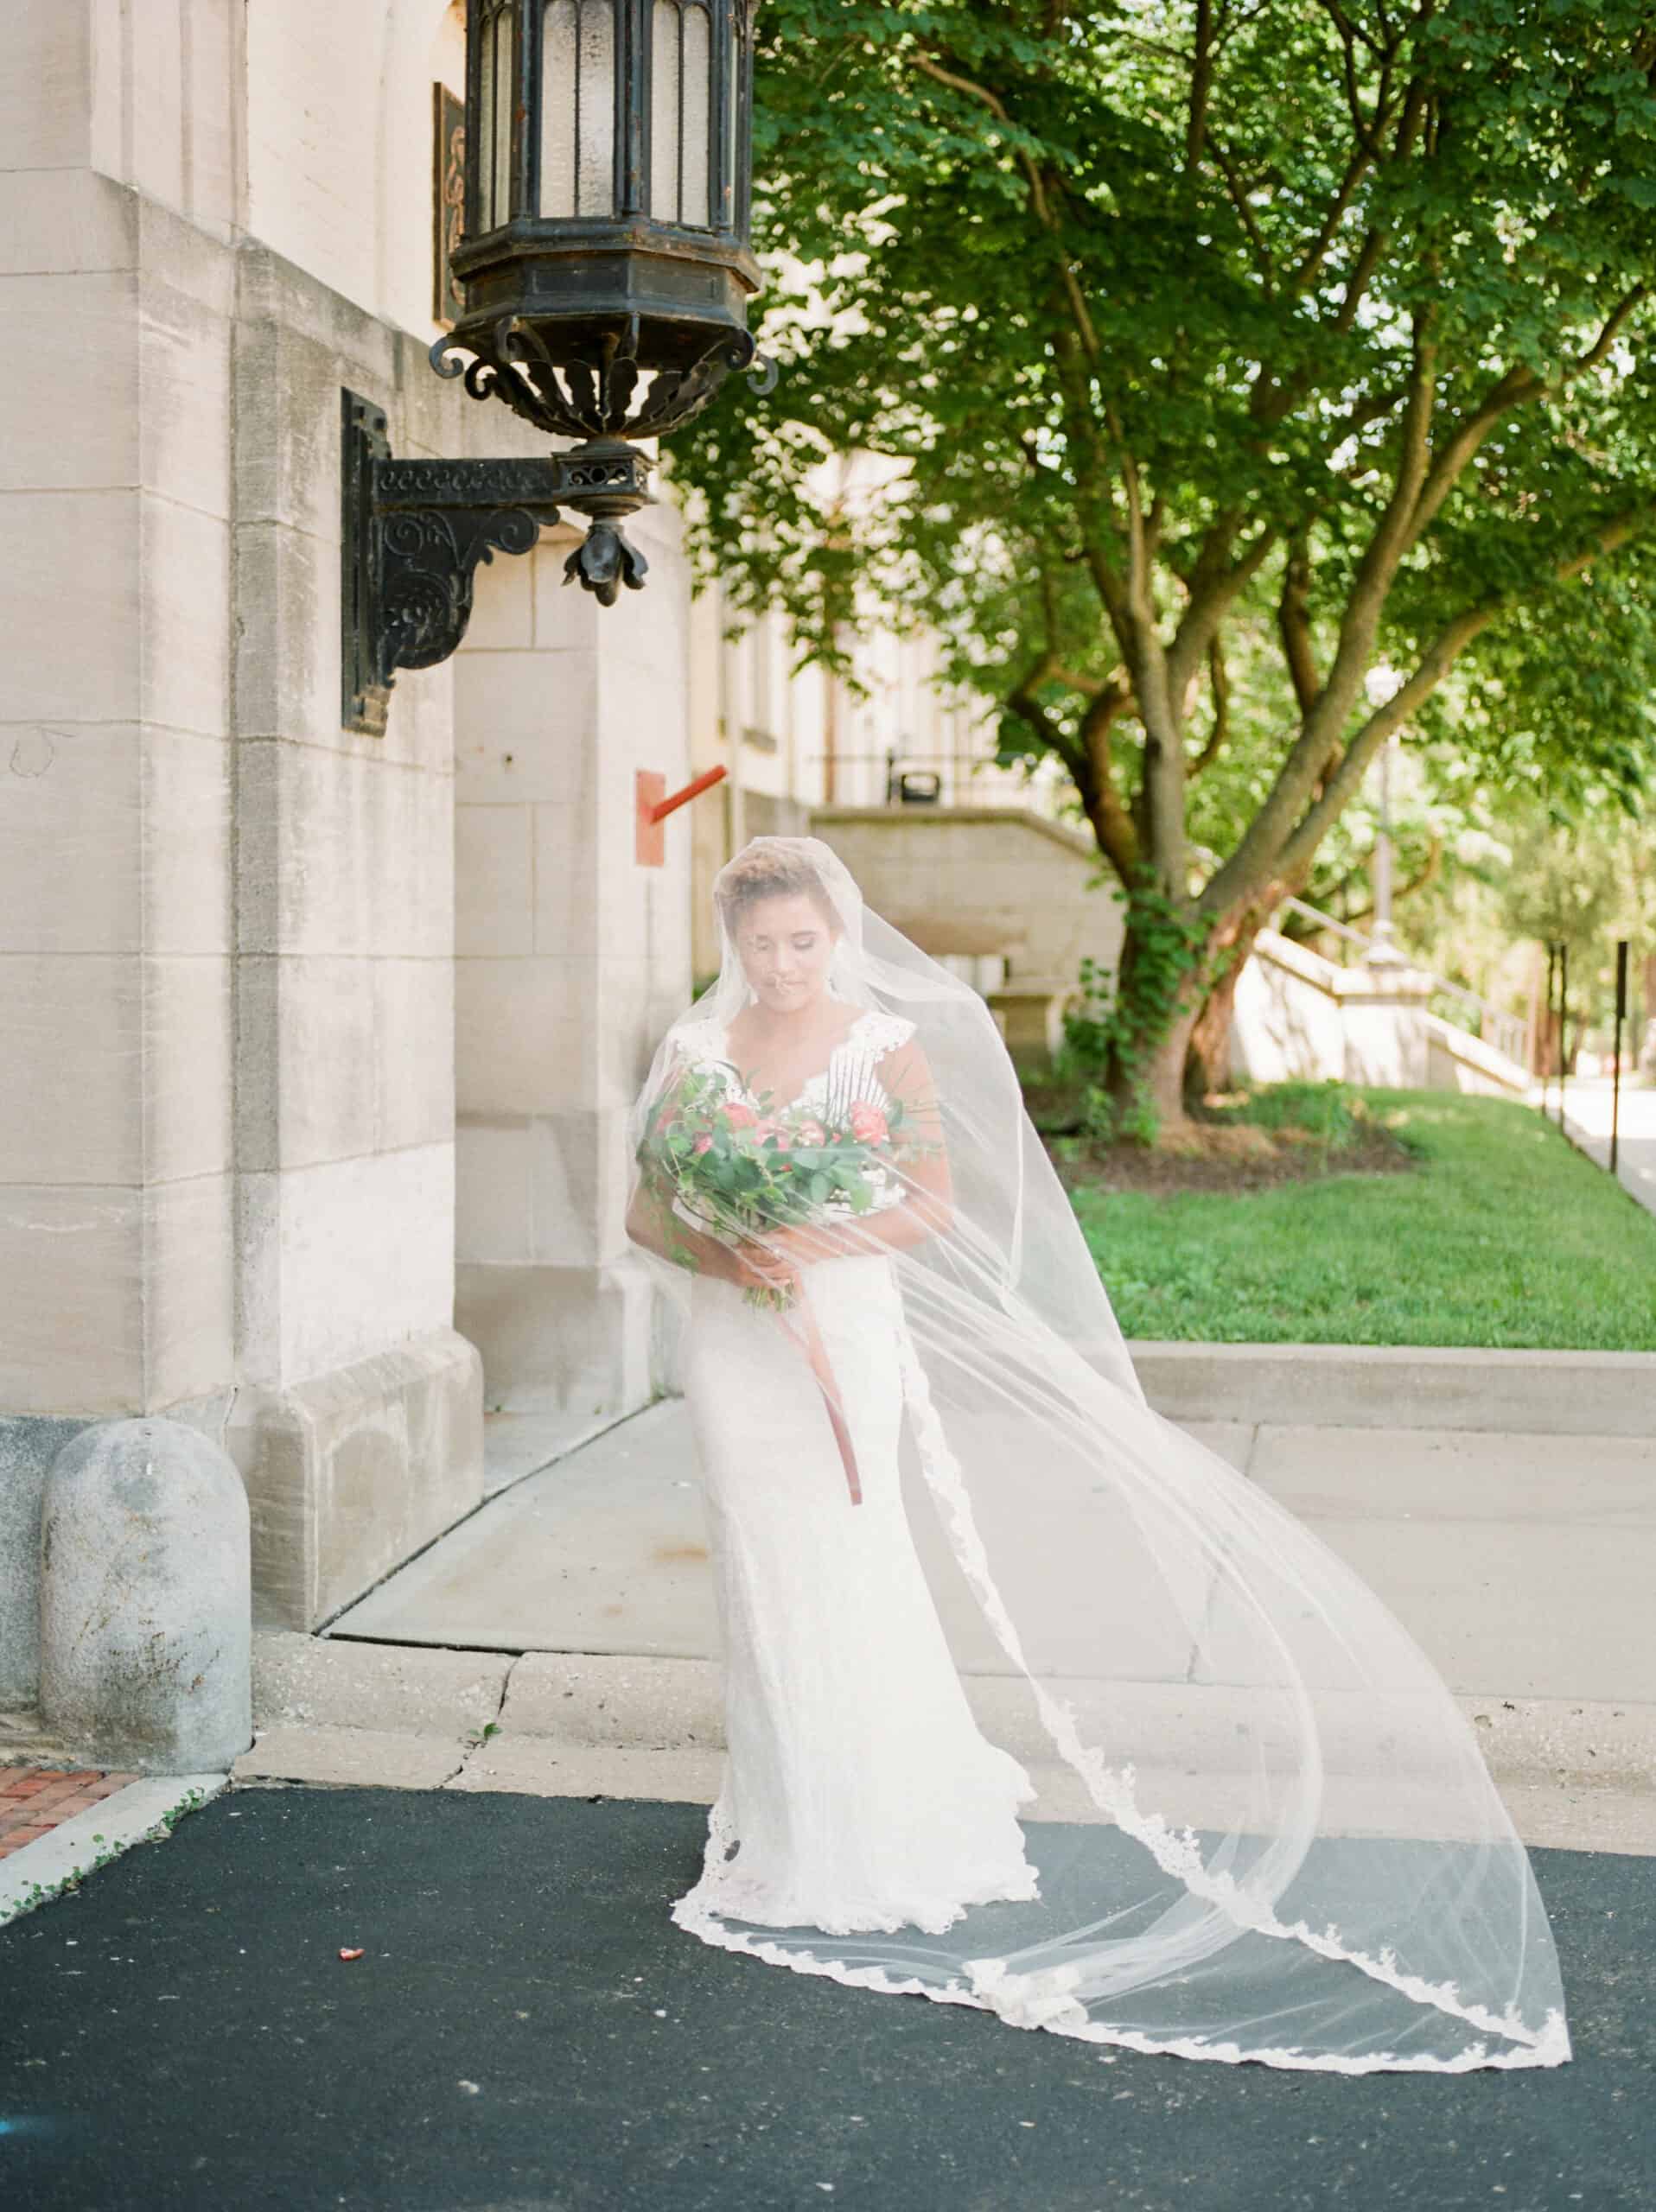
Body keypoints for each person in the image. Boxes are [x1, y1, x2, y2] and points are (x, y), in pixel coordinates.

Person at [623, 835, 1571, 2074]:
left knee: (845, 1550)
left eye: (804, 941)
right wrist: (730, 1250)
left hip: (840, 1327)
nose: (785, 964)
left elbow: (930, 1204)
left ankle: (866, 1807)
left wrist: (811, 1231)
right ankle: (784, 1802)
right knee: (756, 1558)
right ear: (732, 944)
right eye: (762, 946)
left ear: (834, 934)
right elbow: (648, 1209)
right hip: (737, 1347)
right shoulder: (699, 1054)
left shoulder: (880, 1045)